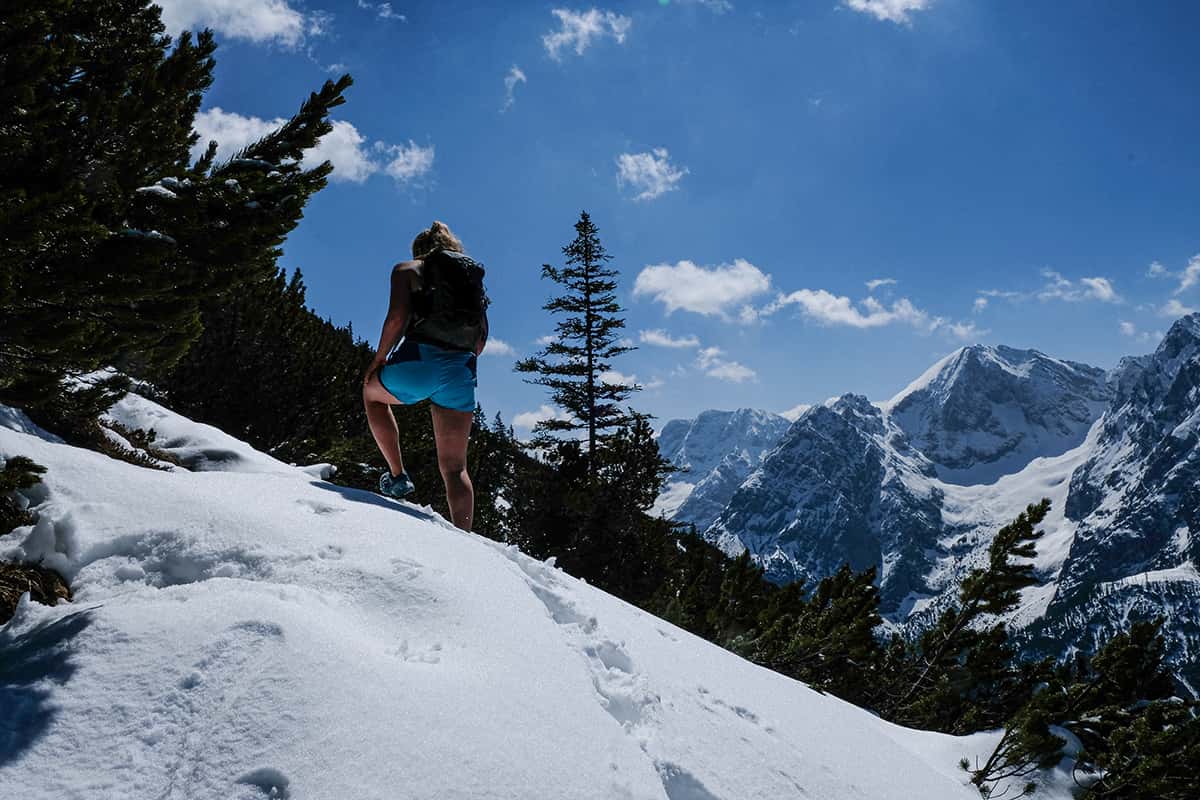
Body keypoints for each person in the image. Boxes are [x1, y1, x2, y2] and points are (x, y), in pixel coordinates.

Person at [362, 221, 489, 531]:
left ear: (420, 250)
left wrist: (378, 360)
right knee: (456, 467)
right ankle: (466, 535)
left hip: (419, 362)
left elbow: (396, 318)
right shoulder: (470, 282)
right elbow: (481, 340)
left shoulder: (408, 269)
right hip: (461, 372)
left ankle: (396, 476)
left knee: (372, 395)